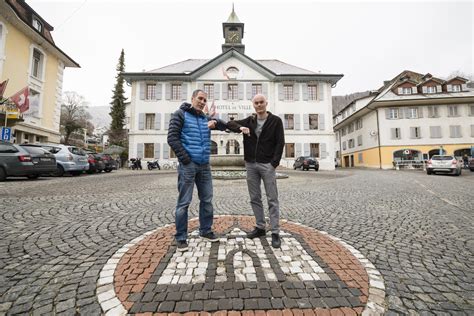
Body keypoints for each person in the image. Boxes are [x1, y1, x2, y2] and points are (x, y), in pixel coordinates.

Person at [167, 89, 227, 251]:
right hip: (188, 165)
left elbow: (221, 124)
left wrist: (219, 124)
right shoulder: (180, 114)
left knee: (207, 200)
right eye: (200, 98)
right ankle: (180, 237)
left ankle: (205, 231)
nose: (202, 102)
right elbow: (172, 138)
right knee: (184, 203)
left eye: (205, 100)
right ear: (192, 98)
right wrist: (185, 159)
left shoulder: (204, 118)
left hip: (204, 165)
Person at [227, 94, 285, 248]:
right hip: (251, 165)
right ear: (253, 105)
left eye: (261, 102)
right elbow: (229, 124)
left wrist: (274, 163)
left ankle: (275, 232)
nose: (259, 105)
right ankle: (260, 227)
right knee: (254, 198)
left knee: (272, 198)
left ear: (266, 103)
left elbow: (280, 143)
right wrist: (240, 128)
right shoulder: (250, 121)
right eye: (256, 103)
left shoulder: (275, 121)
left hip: (267, 165)